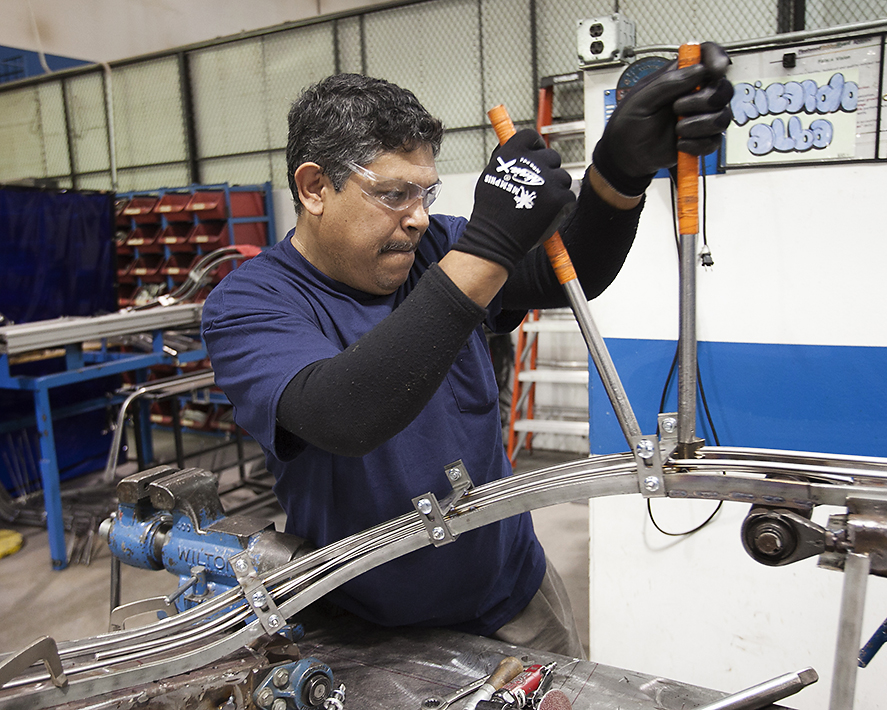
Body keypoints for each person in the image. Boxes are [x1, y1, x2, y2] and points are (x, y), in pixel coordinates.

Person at [201, 45, 732, 657]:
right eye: (394, 194)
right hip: (367, 630)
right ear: (315, 187)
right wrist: (491, 241)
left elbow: (567, 273)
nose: (418, 219)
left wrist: (617, 174)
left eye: (426, 193)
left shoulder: (436, 248)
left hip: (513, 593)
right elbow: (343, 414)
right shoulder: (251, 302)